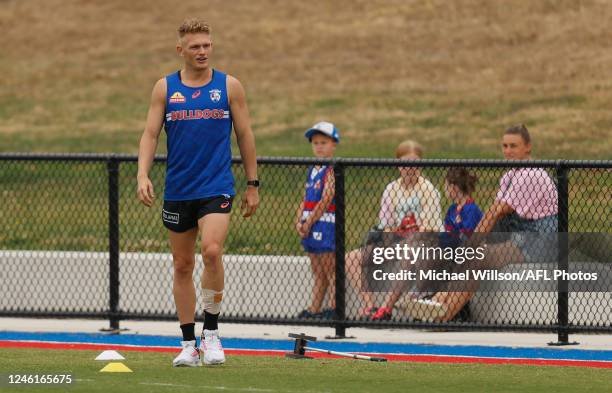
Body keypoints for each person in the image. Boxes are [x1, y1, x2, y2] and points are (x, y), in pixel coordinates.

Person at [136, 19, 259, 367]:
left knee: (213, 251)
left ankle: (213, 333)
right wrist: (142, 173)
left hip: (216, 186)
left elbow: (246, 135)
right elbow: (149, 134)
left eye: (207, 45)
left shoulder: (229, 86)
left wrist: (253, 184)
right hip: (178, 189)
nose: (203, 51)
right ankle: (189, 342)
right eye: (195, 46)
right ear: (181, 50)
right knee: (182, 264)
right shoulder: (165, 88)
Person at [405, 124, 558, 321]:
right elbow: (495, 214)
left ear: (528, 147)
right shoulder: (509, 175)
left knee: (475, 256)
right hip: (519, 237)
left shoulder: (530, 174)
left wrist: (471, 244)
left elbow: (496, 212)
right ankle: (437, 304)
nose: (508, 151)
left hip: (540, 242)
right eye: (505, 146)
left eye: (514, 146)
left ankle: (442, 313)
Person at [345, 140, 444, 320]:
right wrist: (389, 240)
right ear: (398, 164)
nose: (410, 167)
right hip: (397, 242)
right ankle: (370, 306)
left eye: (415, 162)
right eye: (405, 162)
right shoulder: (391, 189)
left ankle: (387, 308)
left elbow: (430, 229)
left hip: (423, 244)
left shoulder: (428, 189)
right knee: (351, 258)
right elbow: (386, 224)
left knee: (409, 251)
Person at [401, 168, 483, 322]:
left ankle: (451, 309)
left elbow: (466, 237)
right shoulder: (452, 209)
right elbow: (448, 233)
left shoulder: (471, 209)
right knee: (429, 255)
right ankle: (425, 299)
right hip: (450, 250)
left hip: (466, 251)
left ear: (453, 187)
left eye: (446, 187)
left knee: (440, 256)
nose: (445, 190)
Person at [295, 122, 339, 319]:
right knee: (317, 270)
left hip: (325, 223)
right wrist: (300, 220)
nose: (319, 146)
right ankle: (315, 308)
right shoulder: (312, 168)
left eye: (324, 142)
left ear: (333, 144)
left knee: (330, 268)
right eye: (316, 143)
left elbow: (326, 197)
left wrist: (310, 221)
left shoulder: (331, 169)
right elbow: (306, 198)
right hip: (309, 223)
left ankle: (334, 308)